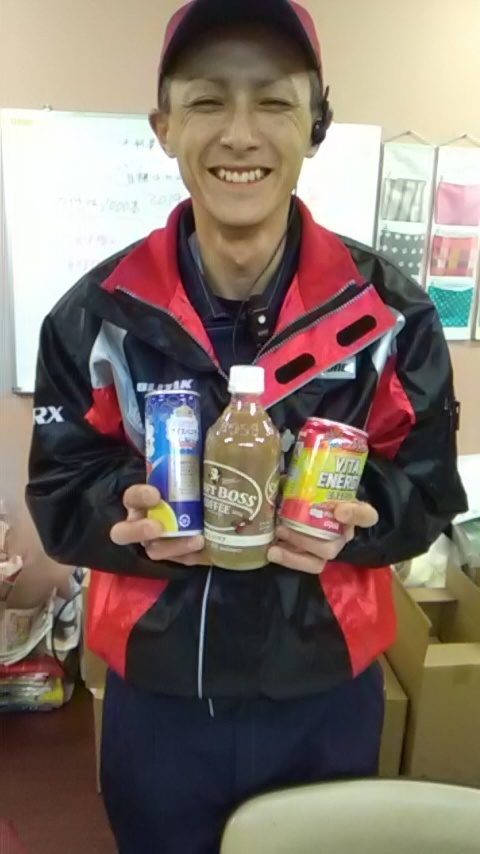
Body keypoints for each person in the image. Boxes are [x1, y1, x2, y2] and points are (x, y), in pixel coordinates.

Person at [26, 0, 467, 851]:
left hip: (325, 694)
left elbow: (427, 491)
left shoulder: (392, 315)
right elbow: (58, 491)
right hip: (157, 699)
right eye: (206, 100)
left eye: (273, 101)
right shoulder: (92, 318)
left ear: (315, 125)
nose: (239, 133)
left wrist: (362, 519)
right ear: (163, 126)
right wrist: (125, 511)